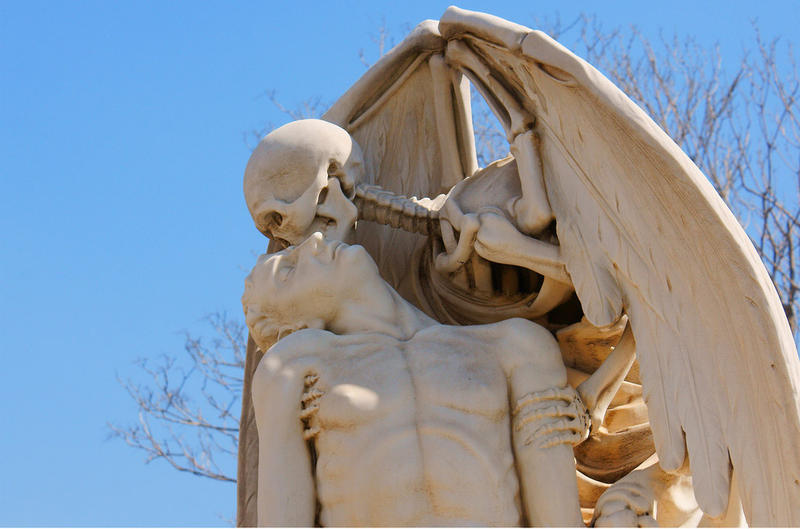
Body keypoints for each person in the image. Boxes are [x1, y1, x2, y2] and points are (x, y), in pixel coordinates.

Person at [242, 233, 590, 526]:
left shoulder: (516, 346)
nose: (315, 240)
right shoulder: (297, 365)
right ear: (295, 328)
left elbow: (556, 513)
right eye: (288, 271)